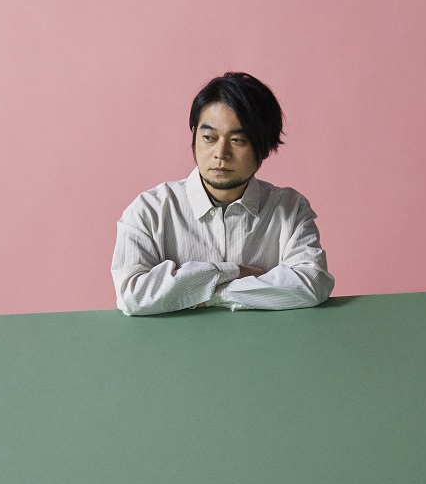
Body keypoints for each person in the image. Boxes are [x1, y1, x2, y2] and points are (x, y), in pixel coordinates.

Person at [111, 72, 335, 315]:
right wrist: (232, 272)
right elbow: (132, 295)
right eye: (209, 137)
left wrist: (214, 294)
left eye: (238, 140)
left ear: (265, 147)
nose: (221, 153)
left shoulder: (290, 208)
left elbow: (312, 282)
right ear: (194, 136)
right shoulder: (149, 210)